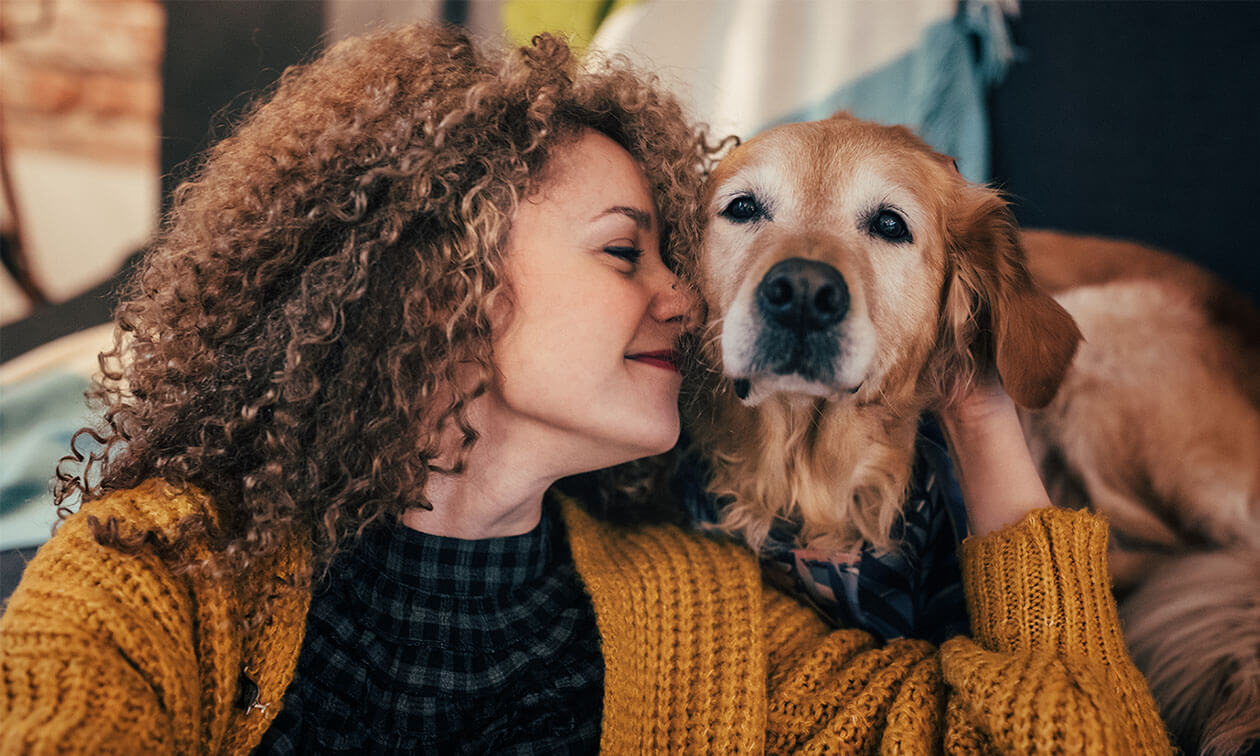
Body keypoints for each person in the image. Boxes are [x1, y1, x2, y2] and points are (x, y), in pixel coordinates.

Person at [0, 24, 1171, 755]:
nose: (689, 301)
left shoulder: (707, 622)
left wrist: (976, 406)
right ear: (441, 286)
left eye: (676, 252)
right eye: (628, 253)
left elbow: (1080, 740)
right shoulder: (163, 568)